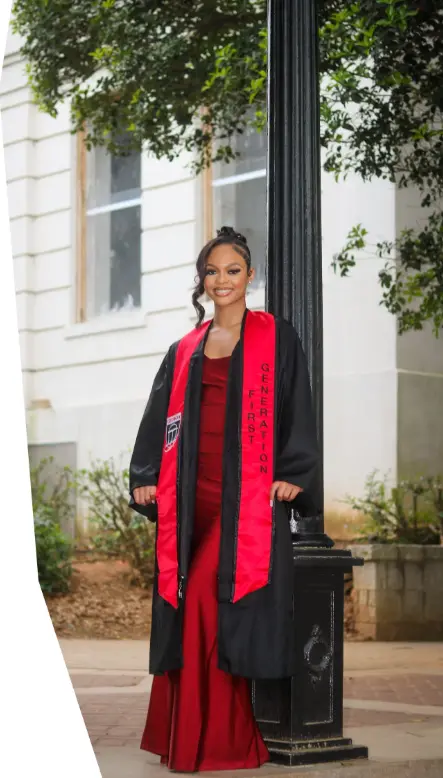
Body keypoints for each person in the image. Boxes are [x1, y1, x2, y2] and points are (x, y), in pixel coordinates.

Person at [129, 226, 321, 772]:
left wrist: (294, 472)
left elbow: (298, 406)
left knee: (205, 605)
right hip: (190, 497)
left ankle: (220, 741)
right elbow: (158, 419)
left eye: (232, 271)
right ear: (202, 279)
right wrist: (146, 475)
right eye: (212, 272)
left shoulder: (276, 339)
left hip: (245, 501)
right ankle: (186, 736)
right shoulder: (185, 349)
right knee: (184, 607)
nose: (222, 280)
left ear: (249, 276)